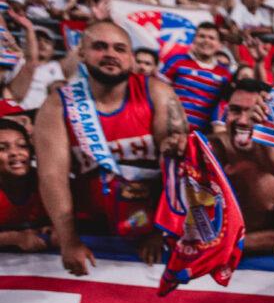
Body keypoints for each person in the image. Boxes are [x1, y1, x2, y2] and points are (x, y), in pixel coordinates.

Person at [33, 21, 189, 275]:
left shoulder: (158, 93)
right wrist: (69, 240)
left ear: (130, 58)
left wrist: (162, 231)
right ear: (81, 52)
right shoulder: (58, 105)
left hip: (149, 232)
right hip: (90, 231)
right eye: (99, 47)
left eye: (119, 49)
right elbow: (52, 178)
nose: (110, 55)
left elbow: (177, 166)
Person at [208, 78, 274, 256]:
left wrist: (226, 244)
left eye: (254, 113)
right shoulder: (210, 149)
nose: (243, 121)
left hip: (258, 263)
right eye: (236, 110)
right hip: (210, 252)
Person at [159, 21, 232, 130]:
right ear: (193, 40)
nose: (206, 41)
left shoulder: (225, 74)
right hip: (170, 128)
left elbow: (223, 106)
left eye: (211, 38)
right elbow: (159, 92)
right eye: (201, 36)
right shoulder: (176, 60)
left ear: (219, 45)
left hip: (203, 135)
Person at [0, 117, 50, 251]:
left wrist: (60, 231)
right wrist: (13, 238)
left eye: (22, 145)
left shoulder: (48, 183)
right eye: (2, 148)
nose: (15, 153)